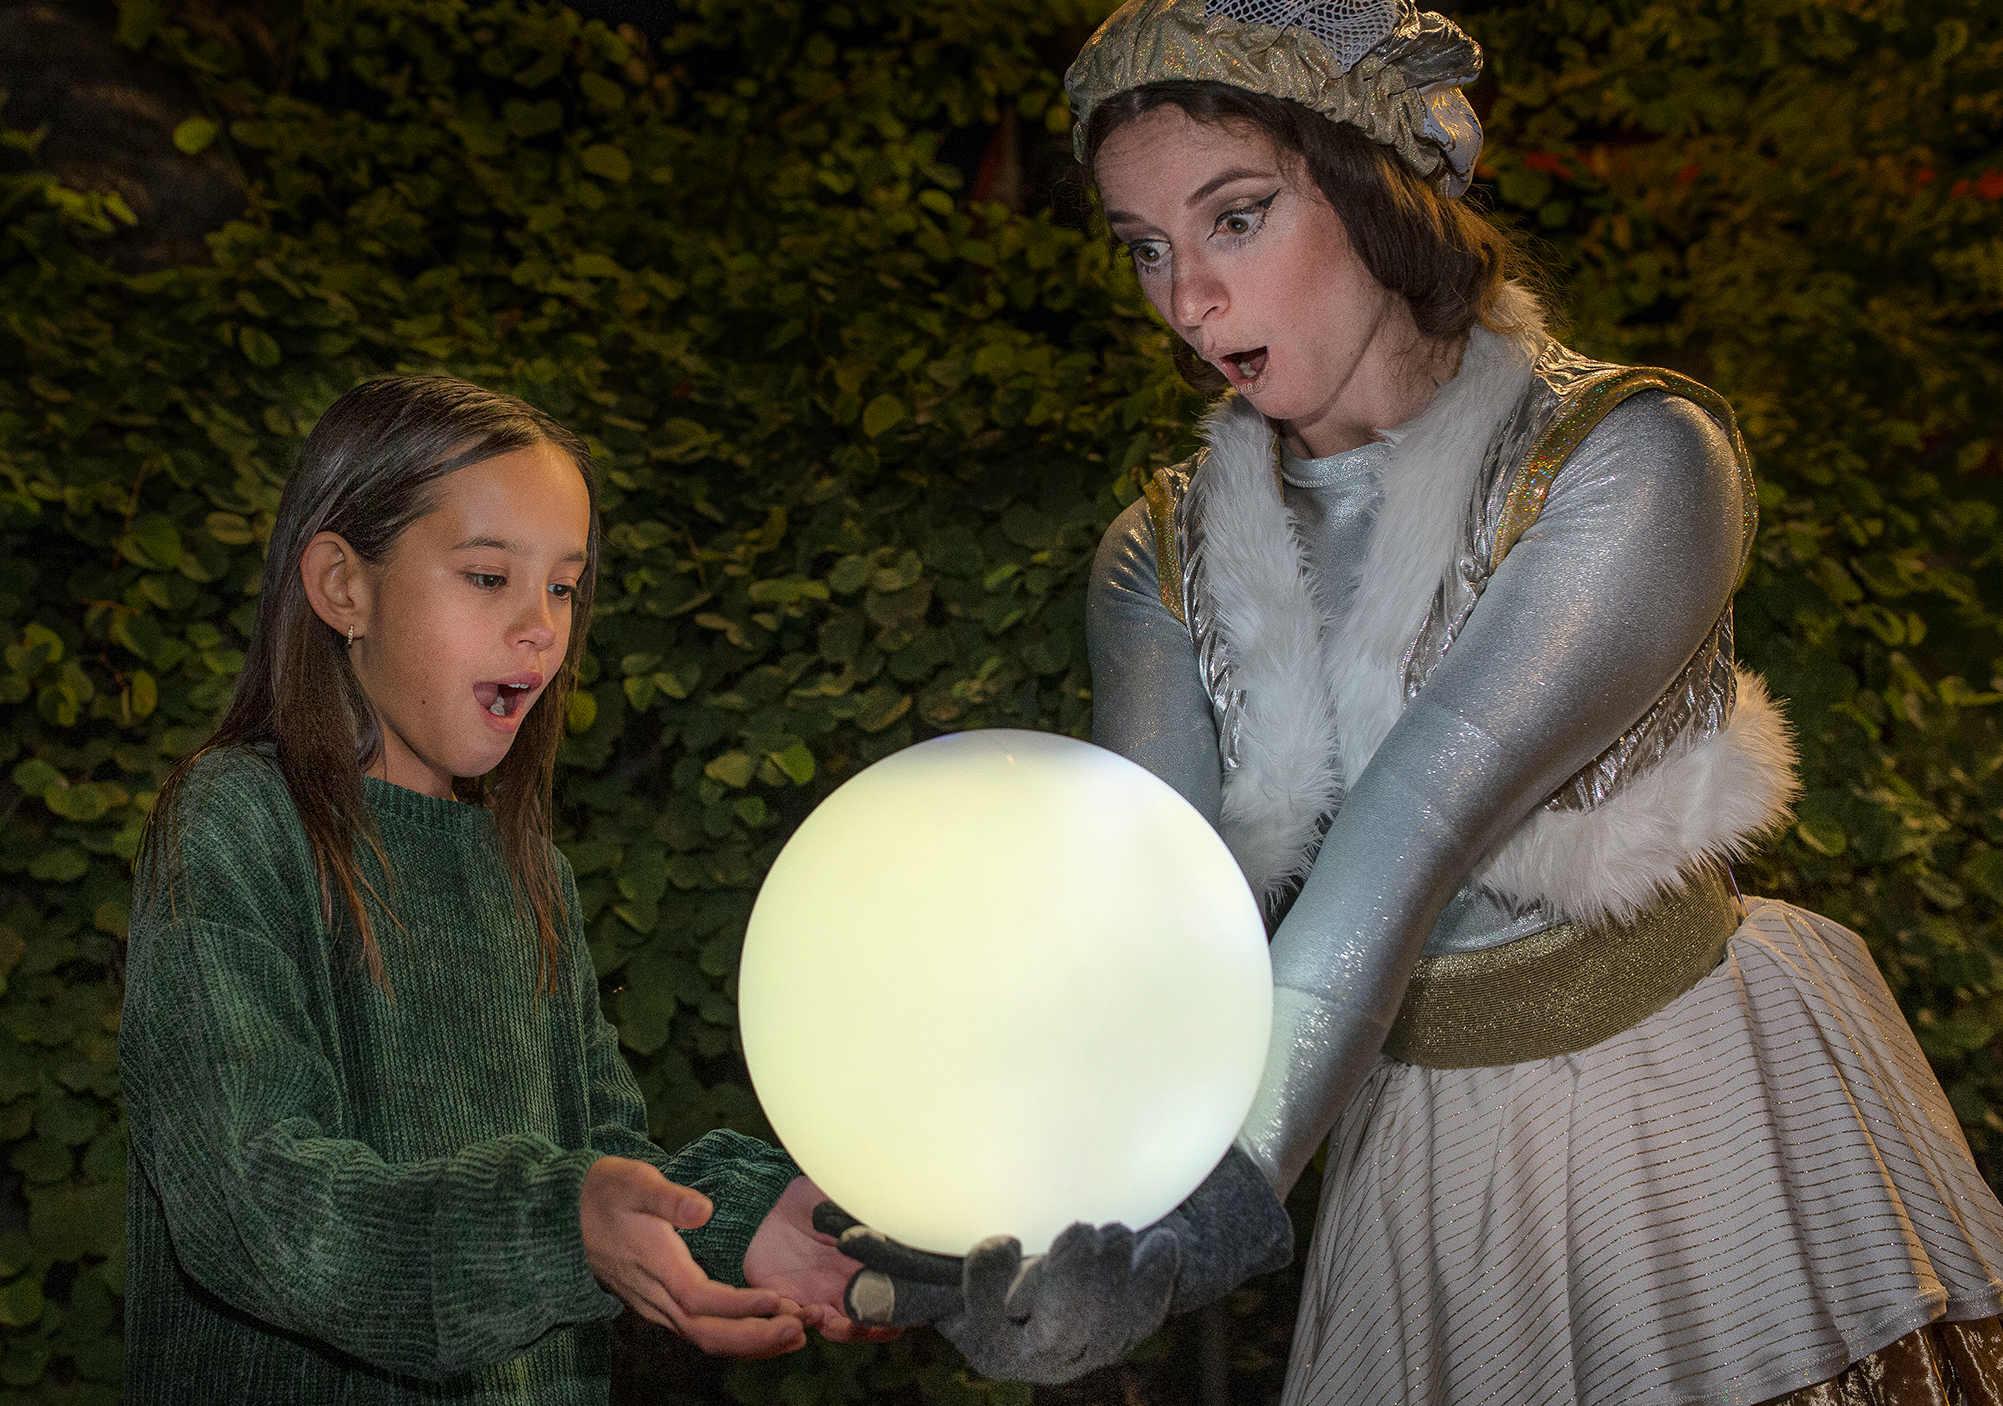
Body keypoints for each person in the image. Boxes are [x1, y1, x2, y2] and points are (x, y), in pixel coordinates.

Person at [839, 1, 2003, 1400]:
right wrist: (994, 1184)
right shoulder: (1158, 550)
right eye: (1142, 245)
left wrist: (1192, 1219)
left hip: (1691, 1119)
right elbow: (1144, 927)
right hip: (1423, 1139)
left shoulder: (1627, 463)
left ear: (1377, 196)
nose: (1183, 300)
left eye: (1236, 217)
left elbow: (1412, 823)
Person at [121, 376, 878, 1404]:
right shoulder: (237, 822)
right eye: (488, 576)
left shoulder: (528, 869)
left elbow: (604, 1158)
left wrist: (752, 1221)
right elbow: (255, 1204)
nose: (541, 627)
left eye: (564, 586)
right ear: (344, 585)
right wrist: (553, 1225)